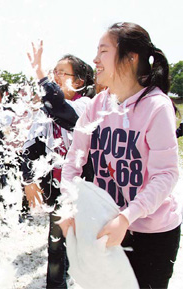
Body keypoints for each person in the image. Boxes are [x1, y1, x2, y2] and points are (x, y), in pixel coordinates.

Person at [61, 22, 181, 289]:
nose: (95, 59)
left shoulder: (157, 106)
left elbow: (166, 175)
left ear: (131, 57)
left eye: (103, 51)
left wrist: (127, 217)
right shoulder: (97, 104)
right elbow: (74, 161)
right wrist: (69, 203)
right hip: (106, 224)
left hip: (152, 233)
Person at [22, 41, 95, 288]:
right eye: (54, 72)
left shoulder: (86, 106)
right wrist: (28, 180)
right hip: (58, 189)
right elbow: (31, 147)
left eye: (61, 73)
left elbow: (64, 112)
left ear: (79, 82)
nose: (55, 77)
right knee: (55, 245)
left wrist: (40, 72)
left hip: (84, 188)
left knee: (82, 242)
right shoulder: (45, 112)